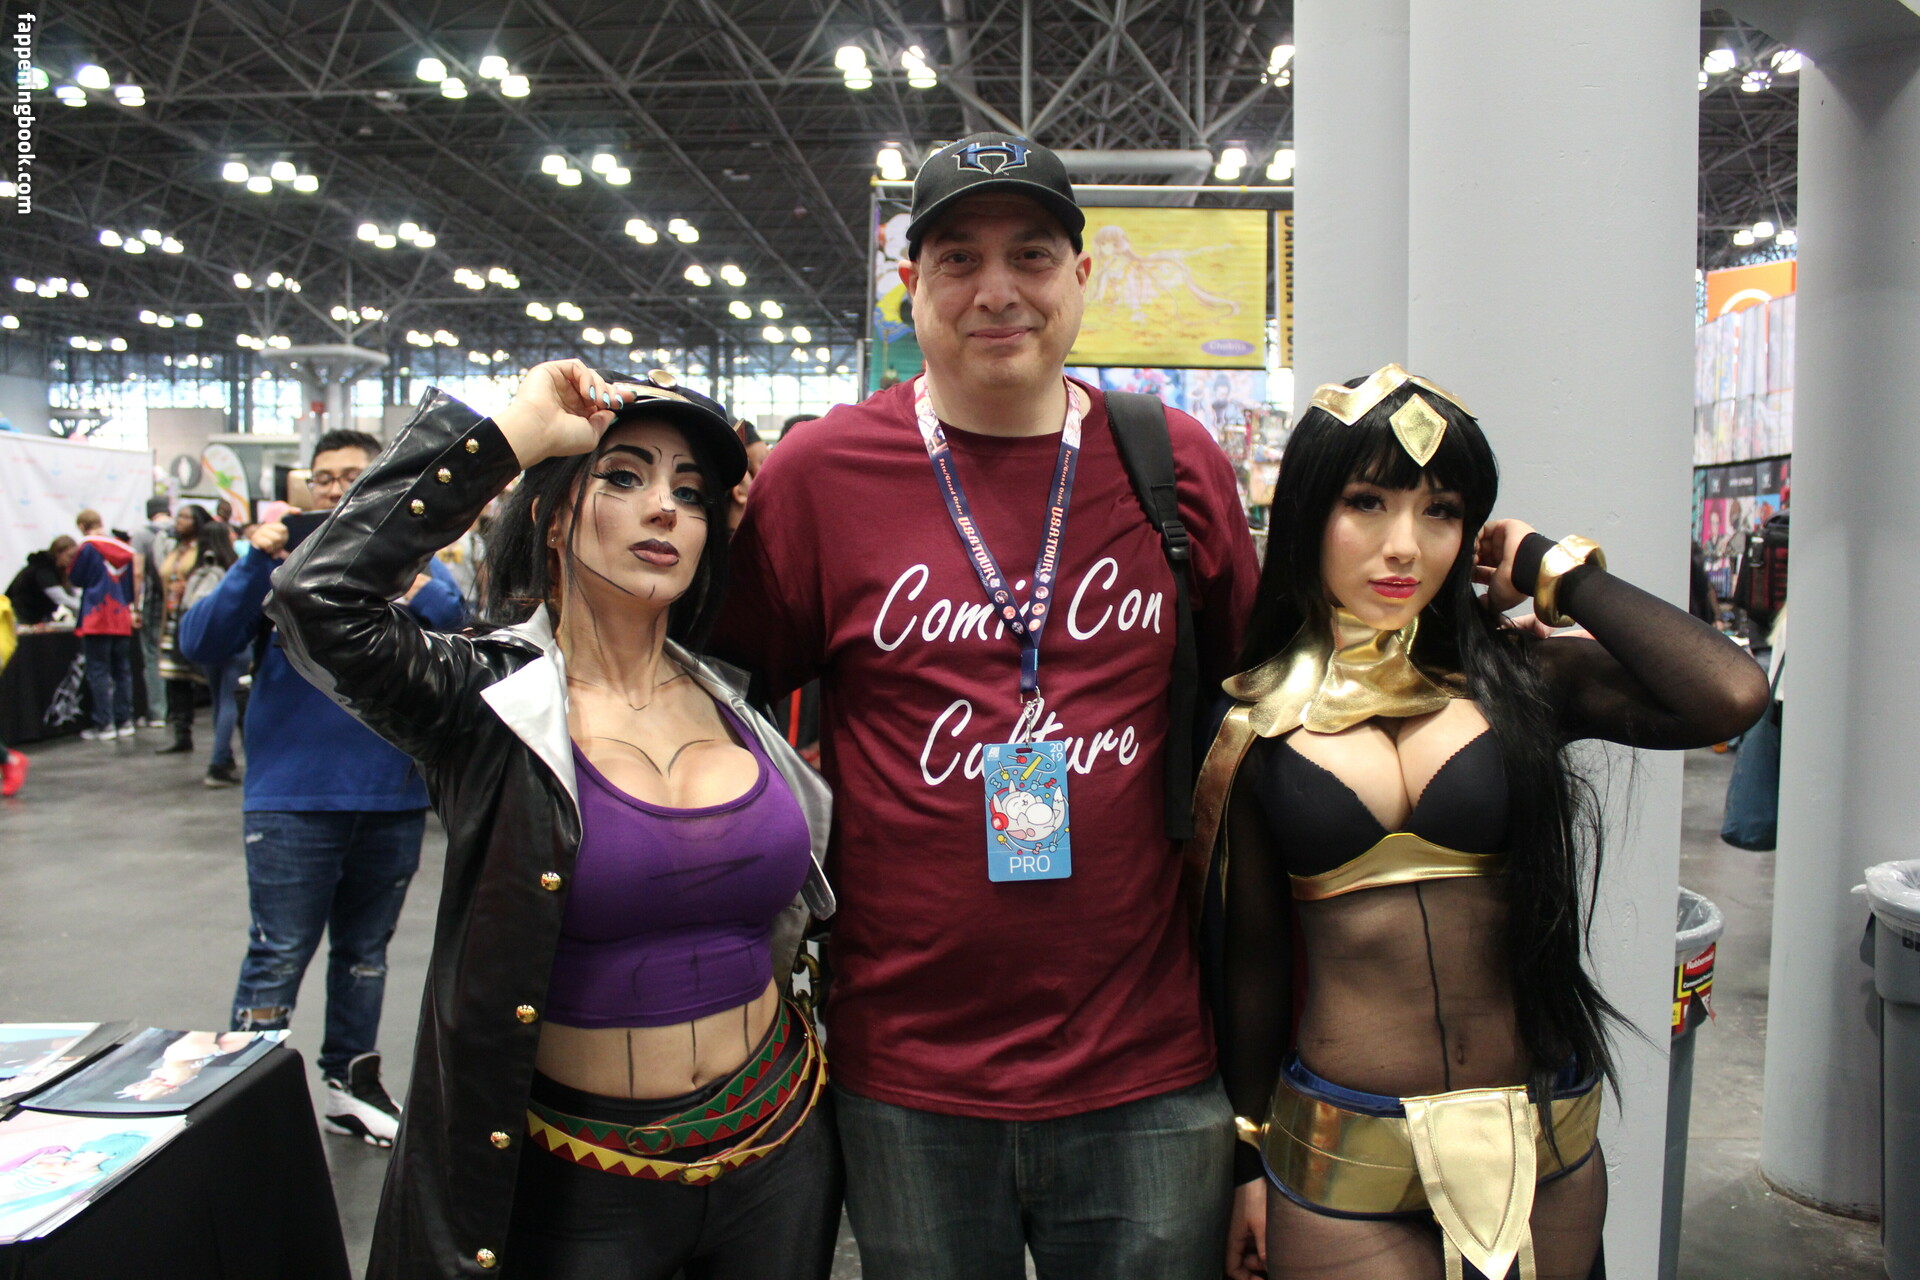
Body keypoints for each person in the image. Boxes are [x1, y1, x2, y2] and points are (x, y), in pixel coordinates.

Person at [714, 131, 1259, 1280]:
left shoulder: (1173, 462)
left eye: (1031, 255)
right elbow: (714, 696)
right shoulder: (823, 476)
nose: (997, 290)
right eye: (959, 258)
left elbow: (1265, 695)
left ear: (1082, 277)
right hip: (909, 1070)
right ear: (911, 287)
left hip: (1148, 1062)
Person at [267, 362, 839, 1280]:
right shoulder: (485, 700)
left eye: (690, 493)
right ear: (553, 515)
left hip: (780, 1152)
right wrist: (508, 437)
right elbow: (316, 600)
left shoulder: (737, 694)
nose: (664, 508)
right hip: (581, 1185)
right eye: (624, 477)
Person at [1203, 366, 1769, 1280]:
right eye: (1366, 502)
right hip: (1344, 1147)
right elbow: (1254, 962)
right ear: (1308, 512)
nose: (1404, 546)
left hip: (1542, 1132)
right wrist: (1246, 1160)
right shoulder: (1255, 721)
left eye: (1441, 511)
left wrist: (1554, 569)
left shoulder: (1523, 679)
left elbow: (1731, 693)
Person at [177, 429, 464, 1148]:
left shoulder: (416, 558)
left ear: (382, 479)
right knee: (277, 953)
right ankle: (245, 1110)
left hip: (392, 796)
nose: (337, 488)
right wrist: (255, 561)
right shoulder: (279, 565)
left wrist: (414, 584)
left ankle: (349, 1086)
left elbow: (464, 632)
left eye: (352, 475)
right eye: (325, 477)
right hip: (292, 798)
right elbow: (201, 643)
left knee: (366, 955)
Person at [175, 523, 244, 786]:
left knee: (219, 699)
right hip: (233, 641)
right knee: (229, 700)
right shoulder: (233, 569)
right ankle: (218, 763)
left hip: (206, 643)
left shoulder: (196, 571)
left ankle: (223, 757)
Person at [68, 510, 140, 741]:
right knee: (122, 671)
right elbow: (131, 584)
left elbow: (76, 578)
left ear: (82, 525)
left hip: (96, 615)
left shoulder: (88, 547)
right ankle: (125, 720)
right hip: (121, 615)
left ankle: (104, 724)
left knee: (98, 671)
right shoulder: (122, 547)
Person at [153, 504, 213, 755]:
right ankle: (181, 734)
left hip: (195, 620)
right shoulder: (175, 549)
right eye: (179, 516)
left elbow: (211, 579)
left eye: (186, 517)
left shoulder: (206, 549)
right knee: (175, 678)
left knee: (210, 680)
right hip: (172, 620)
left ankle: (224, 746)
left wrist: (188, 587)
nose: (179, 521)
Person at [130, 496, 174, 725]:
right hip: (179, 602)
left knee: (153, 657)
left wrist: (136, 607)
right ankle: (179, 710)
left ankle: (158, 711)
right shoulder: (180, 531)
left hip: (155, 603)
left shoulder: (142, 535)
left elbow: (138, 573)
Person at [6, 536, 78, 627]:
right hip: (19, 615)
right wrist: (84, 610)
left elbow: (71, 595)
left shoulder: (61, 571)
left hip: (35, 615)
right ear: (59, 554)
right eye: (70, 557)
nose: (73, 561)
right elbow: (60, 598)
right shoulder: (43, 569)